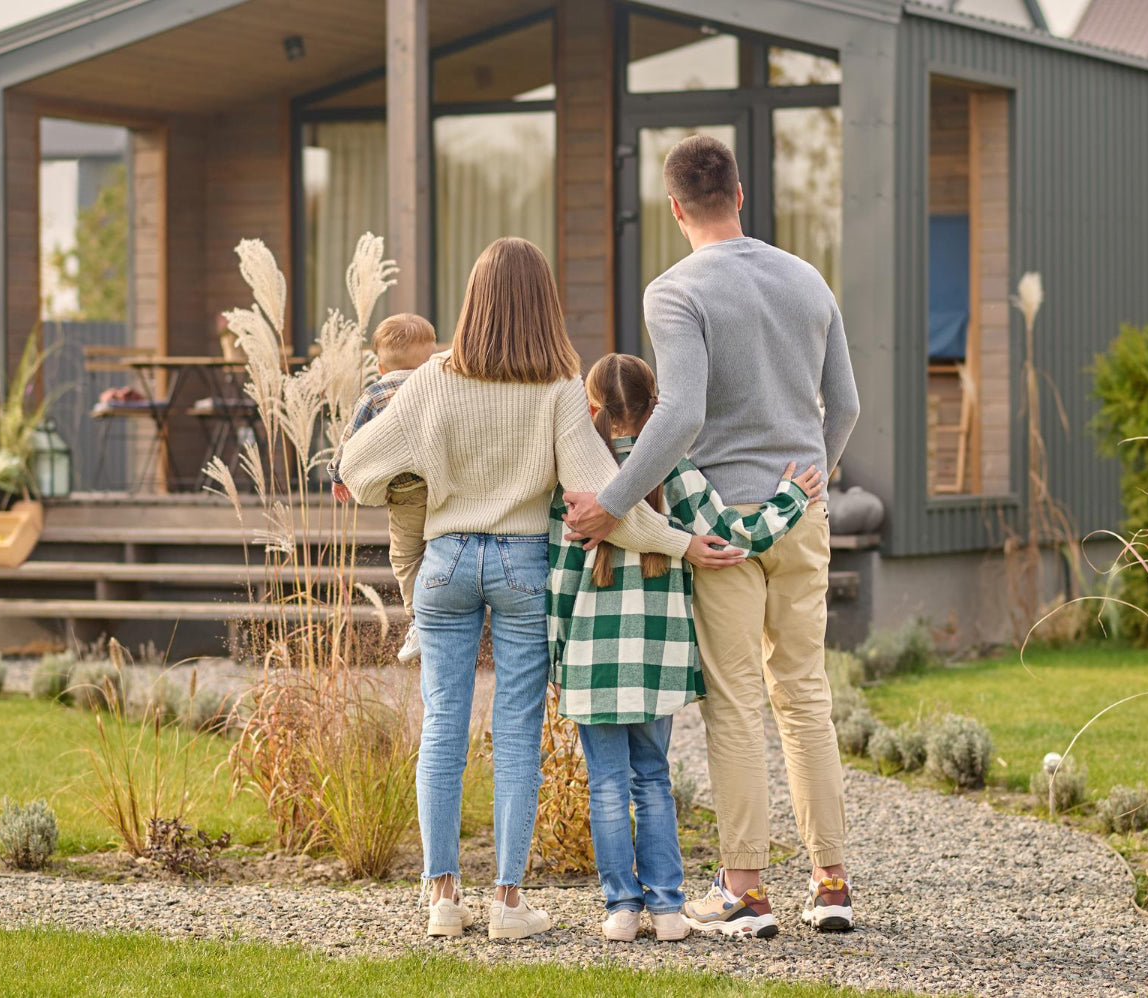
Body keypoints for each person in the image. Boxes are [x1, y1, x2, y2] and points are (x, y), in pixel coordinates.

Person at [336, 237, 743, 941]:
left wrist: (417, 484)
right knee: (517, 734)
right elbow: (604, 504)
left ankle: (441, 898)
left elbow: (356, 466)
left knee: (441, 727)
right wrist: (682, 543)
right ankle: (506, 904)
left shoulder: (431, 379)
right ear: (543, 305)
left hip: (445, 561)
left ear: (472, 301)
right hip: (523, 567)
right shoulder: (558, 390)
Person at [563, 134, 862, 936]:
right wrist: (810, 485)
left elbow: (682, 412)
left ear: (673, 209)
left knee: (735, 705)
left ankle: (747, 892)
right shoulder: (807, 279)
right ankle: (831, 883)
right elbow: (849, 403)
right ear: (739, 194)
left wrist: (612, 501)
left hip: (720, 528)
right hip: (800, 513)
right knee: (805, 697)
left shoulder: (674, 290)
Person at [549, 353, 823, 943]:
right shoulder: (674, 469)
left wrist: (558, 654)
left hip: (593, 663)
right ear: (658, 411)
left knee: (605, 785)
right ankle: (670, 909)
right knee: (652, 777)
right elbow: (731, 536)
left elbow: (560, 576)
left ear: (590, 409)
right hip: (660, 658)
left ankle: (622, 909)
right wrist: (790, 498)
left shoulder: (576, 477)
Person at [329, 312, 438, 664]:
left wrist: (337, 474)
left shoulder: (375, 395)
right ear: (431, 357)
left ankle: (420, 618)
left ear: (379, 366)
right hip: (446, 486)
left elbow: (350, 441)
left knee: (406, 556)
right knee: (440, 549)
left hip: (406, 494)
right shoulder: (440, 386)